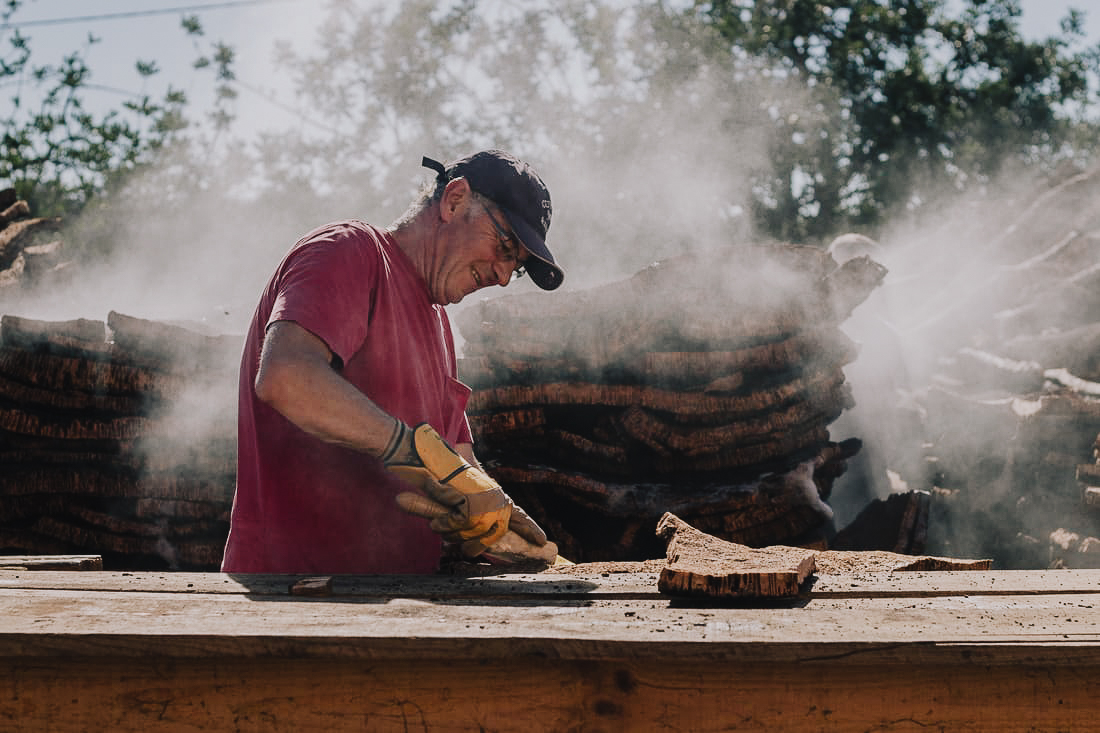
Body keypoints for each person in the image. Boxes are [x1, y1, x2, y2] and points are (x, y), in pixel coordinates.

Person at [221, 150, 563, 574]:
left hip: (390, 612)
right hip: (291, 600)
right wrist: (408, 451)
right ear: (454, 201)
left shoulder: (439, 325)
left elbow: (455, 464)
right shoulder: (348, 250)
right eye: (506, 246)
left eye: (517, 267)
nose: (503, 276)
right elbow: (286, 377)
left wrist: (497, 524)